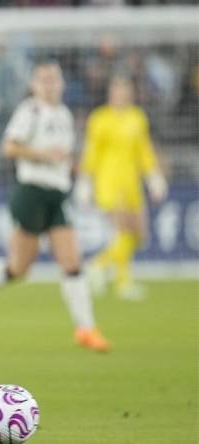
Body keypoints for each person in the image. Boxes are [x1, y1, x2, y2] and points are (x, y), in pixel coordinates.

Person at [0, 61, 111, 353]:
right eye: (43, 80)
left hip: (58, 193)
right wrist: (42, 155)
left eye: (53, 79)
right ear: (34, 85)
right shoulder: (29, 111)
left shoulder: (63, 114)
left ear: (61, 83)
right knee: (18, 268)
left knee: (72, 262)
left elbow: (62, 156)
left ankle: (86, 329)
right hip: (31, 192)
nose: (49, 85)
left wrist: (77, 176)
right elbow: (8, 147)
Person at [76, 76, 167, 300]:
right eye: (117, 89)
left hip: (131, 182)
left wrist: (154, 176)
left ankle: (99, 265)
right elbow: (92, 151)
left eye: (125, 89)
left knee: (138, 234)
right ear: (110, 93)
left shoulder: (137, 117)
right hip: (108, 182)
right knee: (123, 230)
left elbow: (143, 150)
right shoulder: (100, 119)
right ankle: (122, 281)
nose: (121, 94)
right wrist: (85, 180)